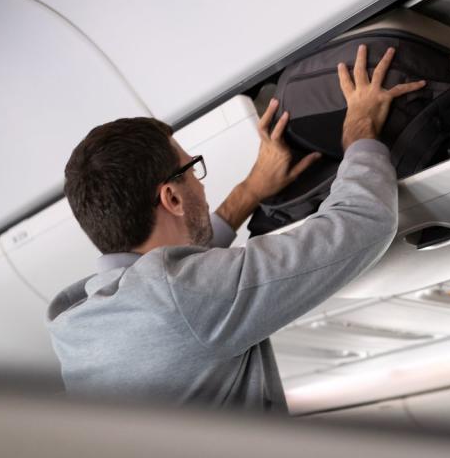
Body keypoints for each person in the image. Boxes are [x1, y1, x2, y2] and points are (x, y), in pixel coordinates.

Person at [47, 45, 425, 412]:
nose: (200, 182)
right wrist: (360, 130)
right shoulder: (179, 296)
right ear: (172, 199)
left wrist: (250, 191)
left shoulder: (77, 325)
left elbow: (181, 278)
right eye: (191, 169)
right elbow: (363, 224)